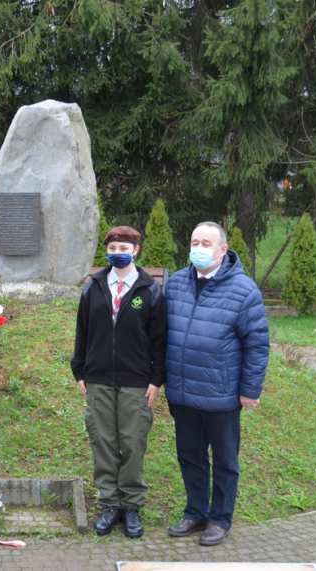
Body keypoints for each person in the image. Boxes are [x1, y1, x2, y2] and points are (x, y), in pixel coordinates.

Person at [164, 221, 269, 546]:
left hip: (221, 395)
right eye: (195, 241)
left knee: (225, 461)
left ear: (223, 249)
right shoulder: (177, 283)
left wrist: (250, 389)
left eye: (206, 243)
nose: (198, 248)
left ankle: (220, 519)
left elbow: (257, 343)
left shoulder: (243, 290)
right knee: (190, 456)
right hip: (182, 392)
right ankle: (195, 512)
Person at [71, 225, 166, 538]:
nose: (117, 254)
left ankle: (132, 506)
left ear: (136, 250)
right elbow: (82, 331)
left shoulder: (148, 290)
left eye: (123, 248)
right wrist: (80, 370)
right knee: (104, 442)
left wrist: (155, 379)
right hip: (97, 379)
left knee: (132, 442)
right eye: (112, 249)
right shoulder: (94, 286)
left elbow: (159, 340)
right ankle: (110, 504)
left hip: (136, 381)